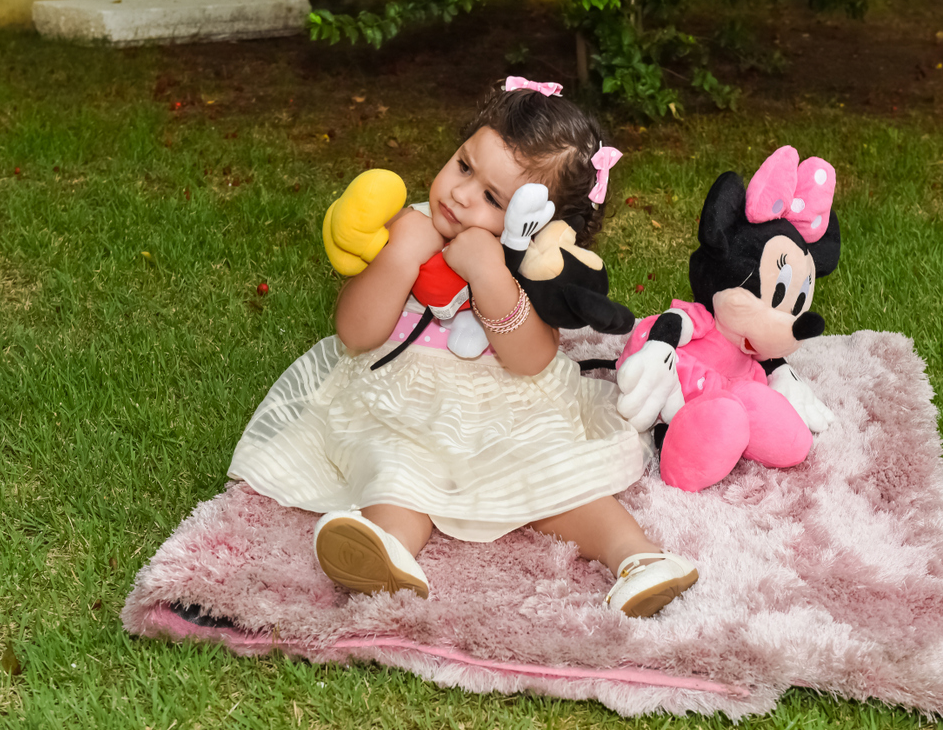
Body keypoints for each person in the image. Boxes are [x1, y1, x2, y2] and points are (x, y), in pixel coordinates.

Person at [228, 79, 698, 618]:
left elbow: (530, 359)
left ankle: (637, 559)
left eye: (493, 198)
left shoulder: (532, 267)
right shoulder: (409, 225)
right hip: (406, 397)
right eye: (463, 165)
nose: (460, 194)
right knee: (396, 466)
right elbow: (356, 335)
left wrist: (489, 272)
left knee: (559, 475)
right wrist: (401, 256)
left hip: (510, 406)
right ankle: (386, 547)